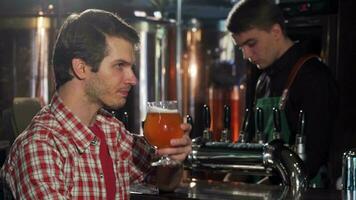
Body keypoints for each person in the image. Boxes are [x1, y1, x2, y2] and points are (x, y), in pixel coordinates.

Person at [0, 9, 192, 199]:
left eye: (131, 68)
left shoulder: (112, 131)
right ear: (81, 68)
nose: (132, 79)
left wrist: (173, 161)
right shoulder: (40, 146)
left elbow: (163, 182)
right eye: (119, 66)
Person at [226, 0, 338, 187]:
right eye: (241, 47)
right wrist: (233, 176)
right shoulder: (263, 80)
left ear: (276, 32)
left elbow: (313, 158)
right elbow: (250, 143)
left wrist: (261, 188)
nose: (246, 54)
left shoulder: (313, 77)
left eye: (251, 43)